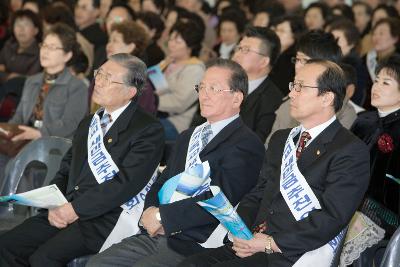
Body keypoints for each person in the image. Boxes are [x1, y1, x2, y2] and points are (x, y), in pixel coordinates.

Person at [178, 59, 370, 267]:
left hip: (291, 254)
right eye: (292, 86)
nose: (292, 94)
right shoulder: (282, 139)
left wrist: (271, 243)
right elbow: (258, 192)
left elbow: (332, 217)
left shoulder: (350, 150)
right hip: (252, 242)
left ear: (326, 98)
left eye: (300, 87)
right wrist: (239, 231)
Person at [86, 58, 265, 267]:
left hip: (196, 242)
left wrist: (163, 217)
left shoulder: (246, 144)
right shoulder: (188, 136)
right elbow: (162, 181)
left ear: (236, 98)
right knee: (97, 264)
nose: (203, 95)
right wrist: (150, 211)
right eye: (202, 87)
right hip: (156, 233)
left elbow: (220, 201)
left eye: (214, 88)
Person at [0, 53, 165, 266]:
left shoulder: (147, 129)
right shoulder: (90, 122)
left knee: (43, 258)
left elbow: (124, 185)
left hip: (104, 218)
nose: (99, 82)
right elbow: (66, 168)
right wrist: (53, 203)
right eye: (99, 74)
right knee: (8, 244)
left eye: (108, 78)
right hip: (66, 207)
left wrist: (75, 210)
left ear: (130, 92)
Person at [351, 55, 400, 233]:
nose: (376, 87)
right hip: (346, 201)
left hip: (382, 217)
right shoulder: (362, 121)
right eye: (376, 80)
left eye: (386, 83)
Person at [157, 19, 205, 140]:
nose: (171, 44)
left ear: (190, 46)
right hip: (156, 113)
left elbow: (179, 102)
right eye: (171, 39)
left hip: (175, 122)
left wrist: (151, 101)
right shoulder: (167, 62)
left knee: (139, 128)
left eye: (177, 41)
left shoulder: (195, 69)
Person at [0, 9, 42, 82]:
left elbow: (30, 79)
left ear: (36, 30)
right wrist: (10, 76)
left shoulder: (40, 52)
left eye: (26, 24)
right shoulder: (9, 45)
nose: (21, 29)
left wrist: (5, 74)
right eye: (18, 25)